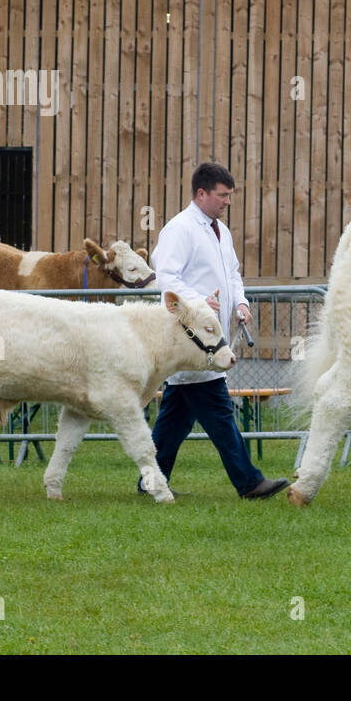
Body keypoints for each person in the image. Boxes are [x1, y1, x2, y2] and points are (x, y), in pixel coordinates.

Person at [142, 162, 289, 500]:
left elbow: (233, 273)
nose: (227, 202)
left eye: (230, 196)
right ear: (201, 193)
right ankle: (249, 482)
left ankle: (149, 480)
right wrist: (198, 303)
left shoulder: (221, 230)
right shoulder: (179, 229)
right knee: (219, 413)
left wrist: (242, 303)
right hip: (193, 341)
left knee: (174, 420)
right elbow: (166, 279)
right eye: (222, 196)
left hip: (213, 339)